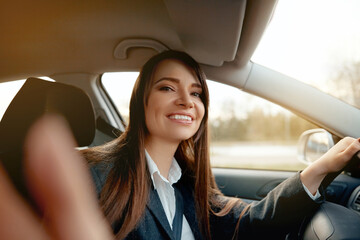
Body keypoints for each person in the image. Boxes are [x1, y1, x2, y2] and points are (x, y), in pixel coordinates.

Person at [0, 50, 359, 240]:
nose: (187, 101)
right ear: (142, 101)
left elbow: (250, 223)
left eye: (196, 92)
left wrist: (323, 166)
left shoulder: (185, 184)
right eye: (167, 87)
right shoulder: (92, 174)